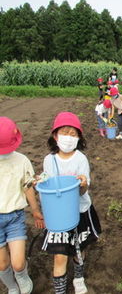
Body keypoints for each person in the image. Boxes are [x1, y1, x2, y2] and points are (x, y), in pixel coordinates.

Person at [41, 112, 101, 294]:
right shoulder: (49, 160)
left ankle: (78, 277)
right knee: (59, 256)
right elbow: (49, 187)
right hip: (59, 216)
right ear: (55, 135)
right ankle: (60, 290)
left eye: (73, 134)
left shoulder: (80, 159)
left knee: (79, 249)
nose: (69, 137)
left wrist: (82, 183)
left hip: (80, 211)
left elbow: (83, 191)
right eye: (64, 132)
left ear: (79, 137)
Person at [0, 117, 44, 294]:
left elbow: (27, 187)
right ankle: (11, 286)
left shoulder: (21, 160)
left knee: (17, 263)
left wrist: (35, 210)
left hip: (15, 217)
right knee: (2, 264)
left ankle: (22, 275)